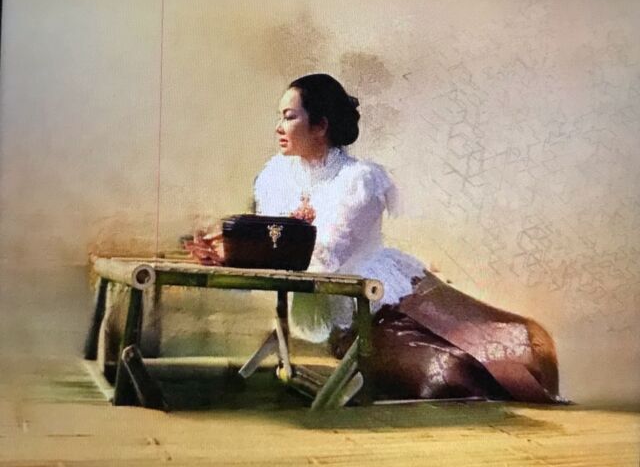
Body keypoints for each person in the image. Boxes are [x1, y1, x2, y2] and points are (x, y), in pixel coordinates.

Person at [187, 74, 562, 402]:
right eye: (280, 117)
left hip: (388, 301)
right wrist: (224, 252)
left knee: (516, 346)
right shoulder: (275, 176)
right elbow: (268, 247)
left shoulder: (358, 181)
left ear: (320, 126)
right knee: (450, 374)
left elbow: (325, 259)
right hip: (345, 320)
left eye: (289, 116)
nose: (278, 127)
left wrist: (261, 245)